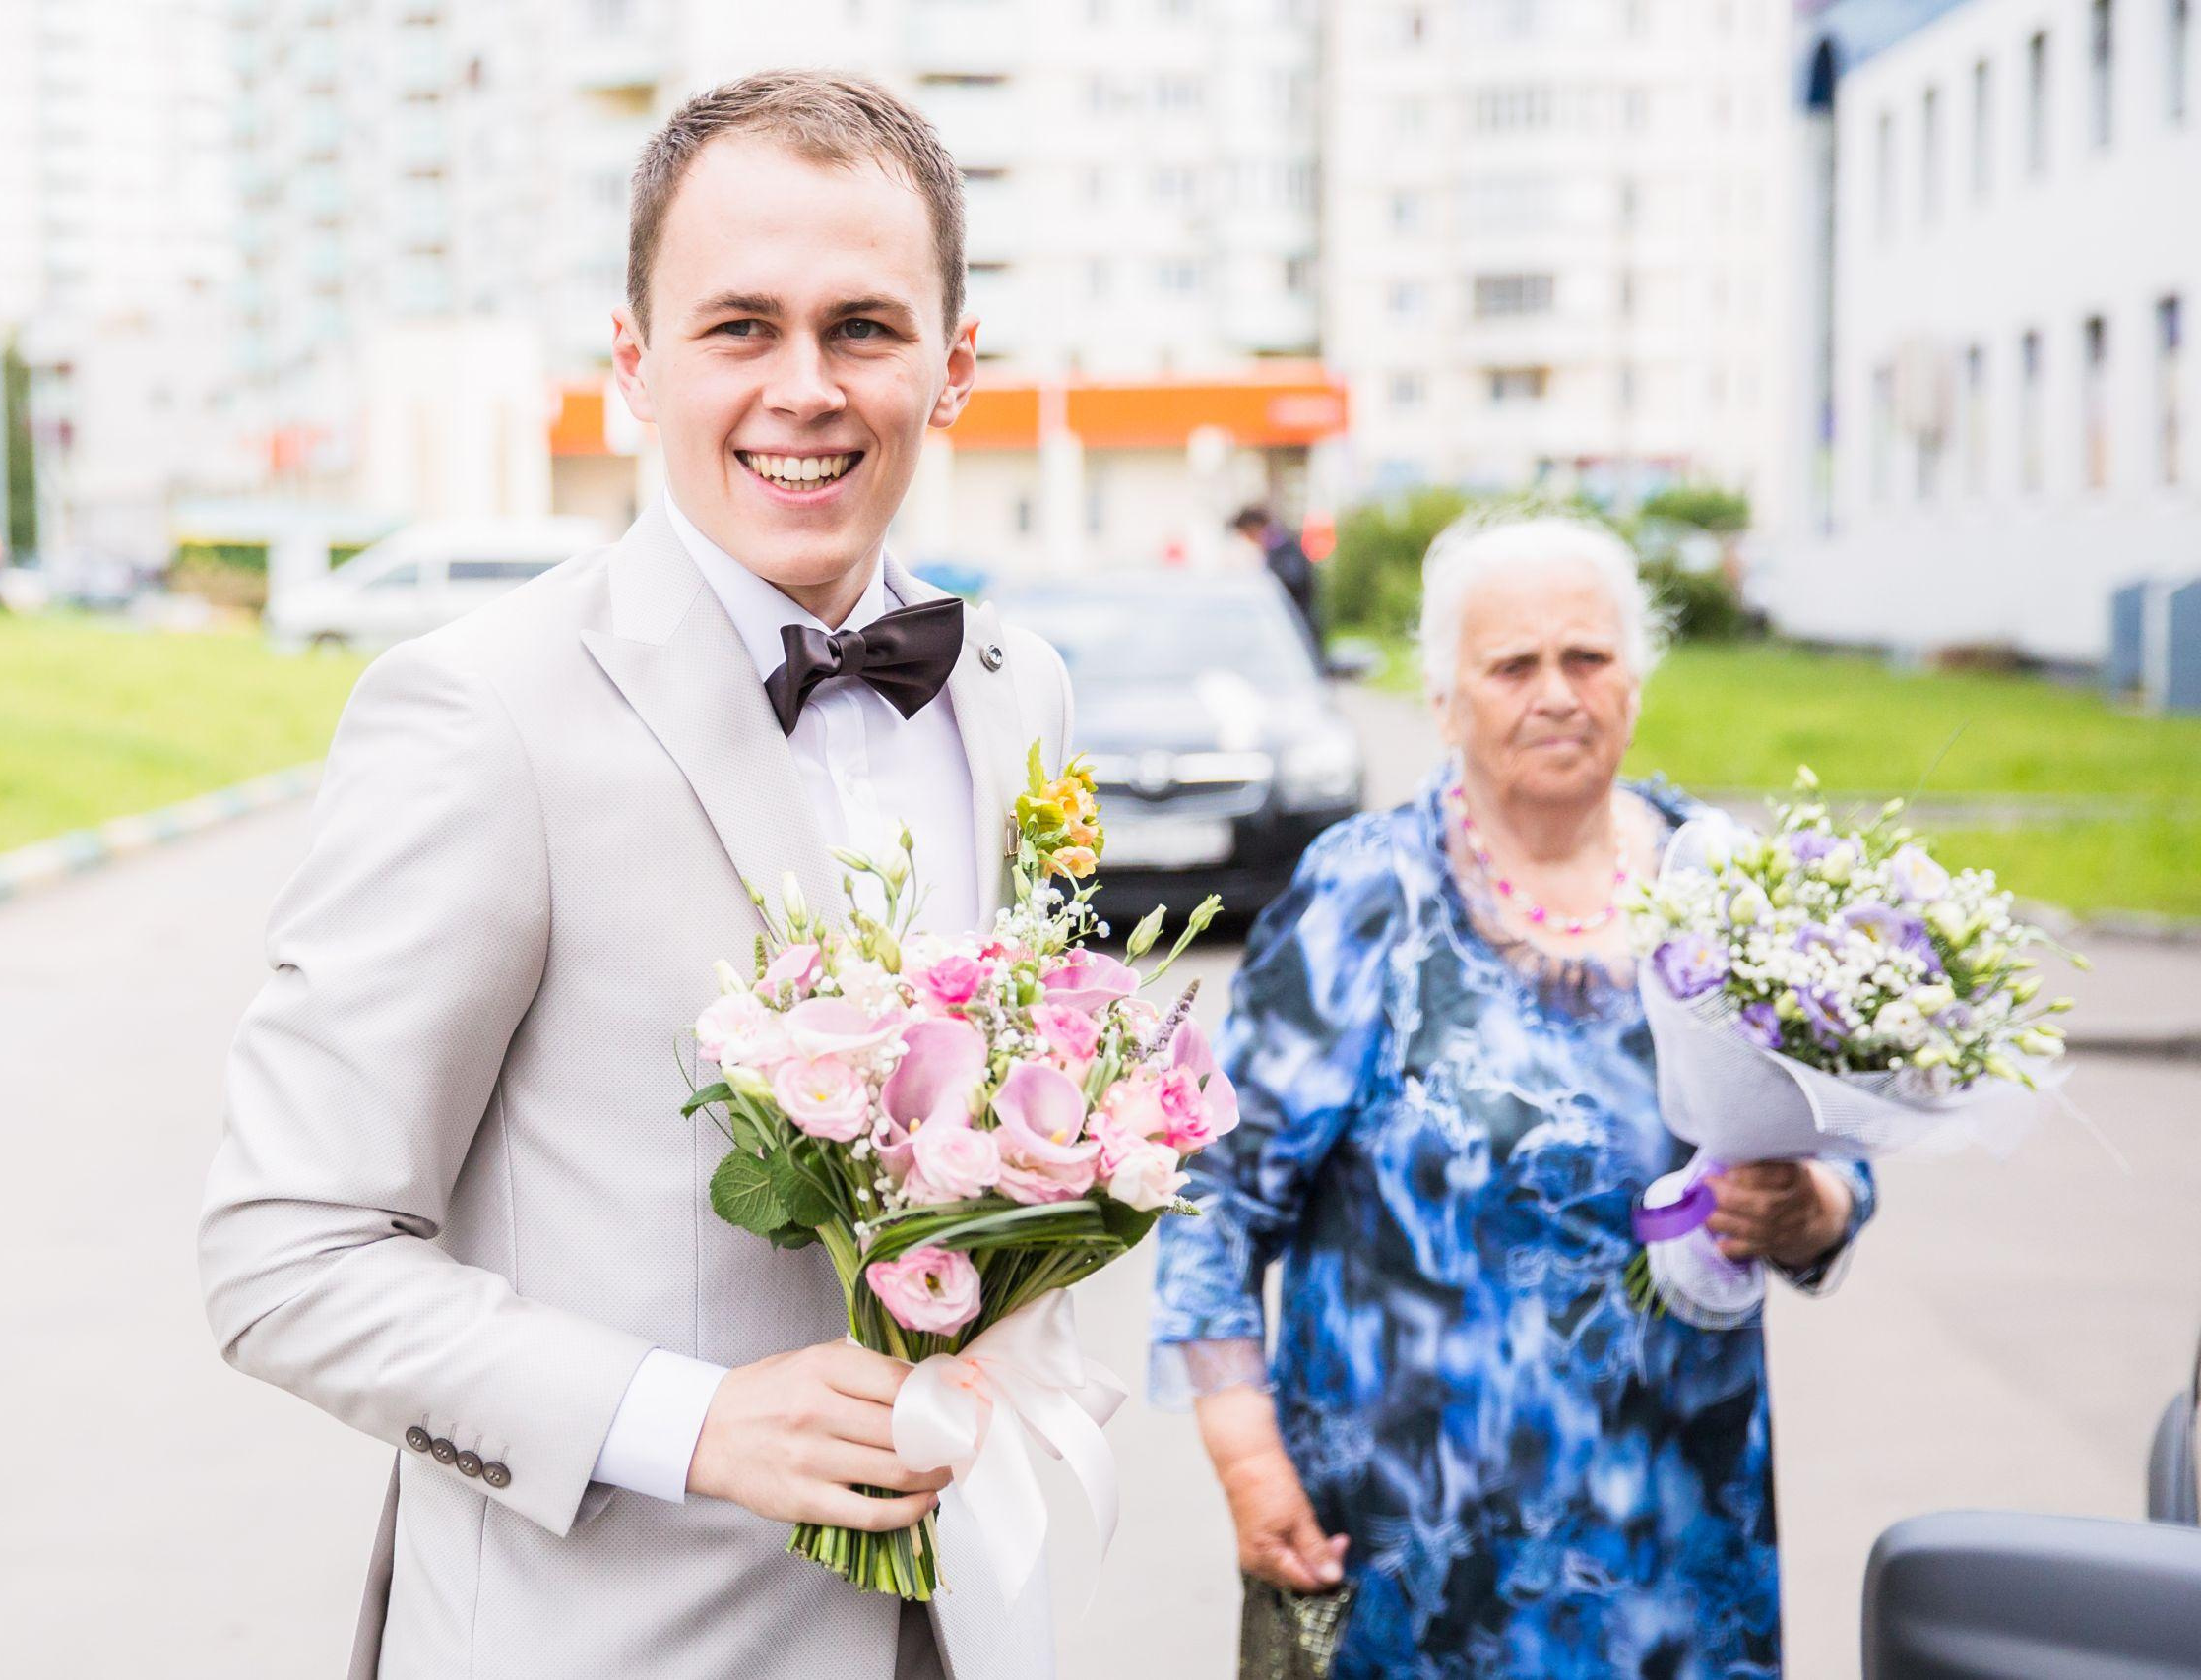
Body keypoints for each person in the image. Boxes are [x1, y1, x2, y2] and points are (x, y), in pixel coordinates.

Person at [197, 73, 1071, 1680]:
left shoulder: (1020, 686)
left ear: (954, 369)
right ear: (633, 362)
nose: (803, 387)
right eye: (740, 326)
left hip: (960, 1627)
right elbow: (284, 1252)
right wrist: (693, 1421)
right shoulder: (480, 713)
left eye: (863, 328)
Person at [1149, 513, 1877, 1678]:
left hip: (1678, 1546)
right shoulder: (1362, 896)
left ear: (1633, 682)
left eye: (1587, 657)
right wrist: (1242, 1451)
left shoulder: (1720, 886)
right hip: (1405, 1555)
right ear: (1444, 702)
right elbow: (1217, 1198)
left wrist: (1817, 1208)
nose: (1556, 693)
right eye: (1512, 665)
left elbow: (1838, 1140)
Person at [1233, 503, 1320, 654]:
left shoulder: (1284, 549)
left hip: (1297, 631)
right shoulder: (1276, 549)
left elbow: (1292, 581)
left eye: (1246, 534)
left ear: (1253, 528)